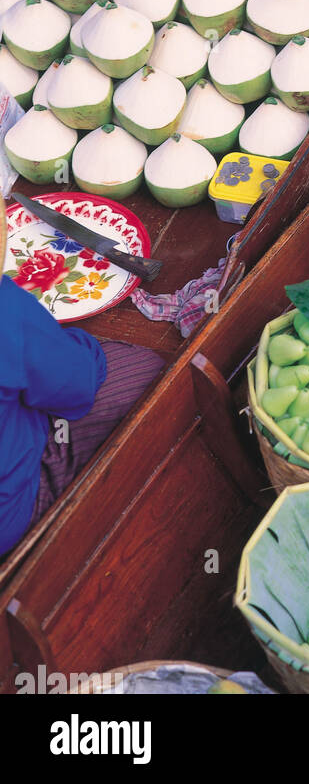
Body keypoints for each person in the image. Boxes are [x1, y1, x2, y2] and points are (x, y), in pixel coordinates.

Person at [0, 204, 165, 556]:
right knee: (146, 369)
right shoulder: (5, 311)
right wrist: (69, 344)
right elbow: (76, 386)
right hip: (8, 519)